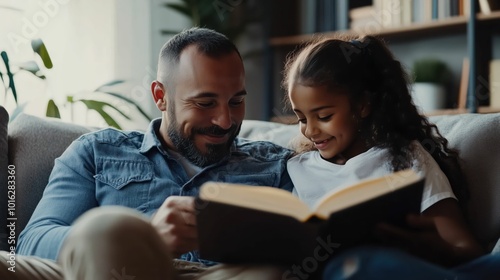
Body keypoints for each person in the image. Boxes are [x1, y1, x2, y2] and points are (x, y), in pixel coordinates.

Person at [0, 27, 293, 280]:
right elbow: (32, 243)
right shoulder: (97, 151)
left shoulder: (277, 165)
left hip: (221, 274)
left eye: (236, 101)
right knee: (109, 228)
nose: (225, 121)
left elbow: (311, 245)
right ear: (160, 97)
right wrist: (143, 236)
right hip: (111, 269)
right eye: (205, 103)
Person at [281, 34, 499, 279]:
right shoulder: (298, 170)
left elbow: (467, 250)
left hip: (401, 269)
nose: (310, 130)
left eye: (324, 117)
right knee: (356, 265)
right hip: (341, 271)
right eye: (301, 118)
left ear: (363, 105)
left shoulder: (405, 159)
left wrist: (432, 249)